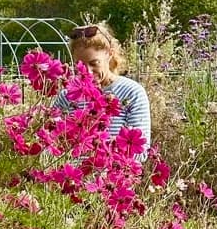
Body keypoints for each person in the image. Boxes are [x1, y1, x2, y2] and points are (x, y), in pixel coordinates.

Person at [54, 22, 151, 155]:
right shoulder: (67, 96)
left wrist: (102, 153)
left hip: (117, 173)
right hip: (74, 174)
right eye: (80, 65)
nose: (87, 71)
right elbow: (51, 144)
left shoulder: (132, 93)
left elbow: (141, 151)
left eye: (94, 63)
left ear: (109, 54)